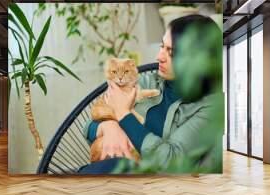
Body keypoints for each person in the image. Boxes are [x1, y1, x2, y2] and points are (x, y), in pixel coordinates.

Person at [79, 15, 222, 174]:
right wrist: (109, 127)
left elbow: (170, 160)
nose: (159, 57)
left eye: (171, 52)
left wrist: (123, 114)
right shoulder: (146, 82)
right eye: (162, 46)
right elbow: (88, 127)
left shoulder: (211, 107)